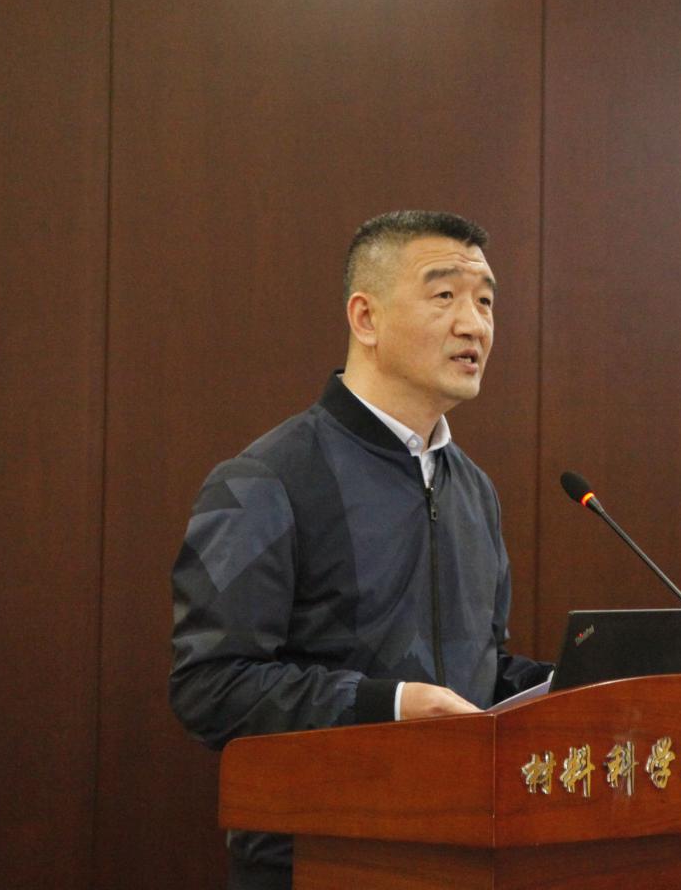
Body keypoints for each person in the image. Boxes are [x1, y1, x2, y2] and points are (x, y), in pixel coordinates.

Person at [169, 210, 550, 890]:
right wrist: (392, 704)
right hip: (318, 861)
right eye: (445, 295)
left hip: (463, 853)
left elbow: (475, 675)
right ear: (365, 318)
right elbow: (211, 687)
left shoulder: (474, 490)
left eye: (486, 301)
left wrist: (574, 688)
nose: (474, 325)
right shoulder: (267, 479)